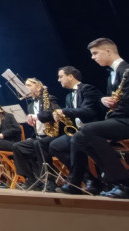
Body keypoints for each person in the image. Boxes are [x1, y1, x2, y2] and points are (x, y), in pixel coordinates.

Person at [72, 38, 129, 199]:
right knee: (79, 137)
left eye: (95, 53)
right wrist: (103, 101)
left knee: (89, 130)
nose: (93, 57)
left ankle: (125, 184)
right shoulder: (112, 76)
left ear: (108, 51)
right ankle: (120, 183)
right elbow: (116, 104)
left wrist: (109, 117)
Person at [45, 66, 105, 195]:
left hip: (94, 130)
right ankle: (89, 178)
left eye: (61, 76)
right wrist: (61, 116)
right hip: (79, 132)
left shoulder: (88, 89)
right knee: (55, 146)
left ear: (71, 76)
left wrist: (64, 111)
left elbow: (88, 112)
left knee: (76, 142)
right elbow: (71, 114)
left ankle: (75, 182)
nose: (58, 80)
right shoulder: (68, 96)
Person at [11, 78, 61, 190]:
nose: (25, 88)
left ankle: (50, 180)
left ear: (38, 87)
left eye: (28, 85)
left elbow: (55, 113)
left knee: (38, 144)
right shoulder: (30, 106)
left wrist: (37, 116)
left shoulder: (49, 98)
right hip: (39, 137)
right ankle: (32, 179)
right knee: (18, 147)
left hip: (52, 136)